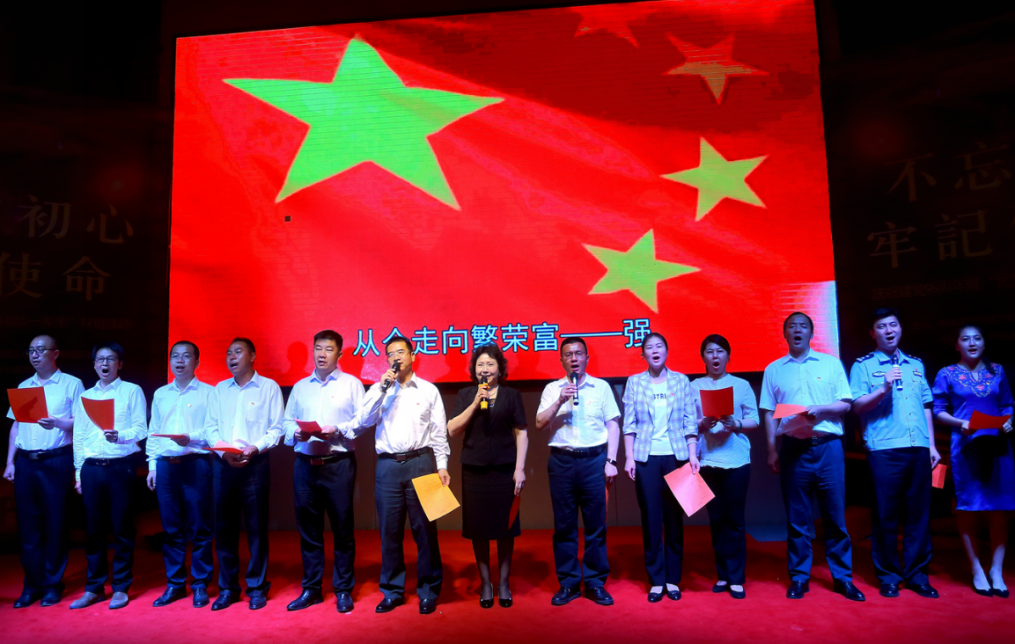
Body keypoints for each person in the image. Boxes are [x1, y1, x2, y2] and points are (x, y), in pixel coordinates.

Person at [760, 312, 864, 601]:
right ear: (785, 334)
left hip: (828, 447)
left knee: (835, 516)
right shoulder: (774, 369)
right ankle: (799, 577)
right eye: (792, 326)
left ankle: (842, 578)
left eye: (803, 326)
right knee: (797, 518)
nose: (797, 330)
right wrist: (772, 449)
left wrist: (821, 410)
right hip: (794, 448)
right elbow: (768, 412)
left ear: (811, 333)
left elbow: (845, 404)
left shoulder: (830, 364)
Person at [346, 336, 450, 615]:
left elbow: (439, 433)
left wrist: (442, 465)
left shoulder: (428, 390)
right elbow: (359, 424)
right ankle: (392, 591)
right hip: (388, 466)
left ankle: (428, 591)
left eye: (401, 352)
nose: (396, 357)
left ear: (412, 356)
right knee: (389, 532)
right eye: (391, 354)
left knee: (425, 531)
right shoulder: (379, 389)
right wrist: (381, 390)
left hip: (421, 462)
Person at [850, 309, 941, 599]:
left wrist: (931, 445)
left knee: (918, 515)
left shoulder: (915, 364)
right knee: (886, 515)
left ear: (900, 328)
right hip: (884, 448)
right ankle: (889, 576)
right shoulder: (862, 365)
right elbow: (857, 406)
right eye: (882, 326)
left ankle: (917, 575)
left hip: (918, 447)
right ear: (872, 333)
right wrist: (883, 387)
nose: (889, 330)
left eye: (893, 325)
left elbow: (926, 405)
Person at [281, 330, 363, 613]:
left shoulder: (352, 384)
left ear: (339, 354)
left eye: (328, 349)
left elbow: (361, 422)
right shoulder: (300, 387)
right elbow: (286, 423)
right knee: (309, 531)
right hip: (305, 466)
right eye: (318, 348)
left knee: (342, 529)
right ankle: (312, 588)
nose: (322, 354)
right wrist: (295, 433)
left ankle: (343, 589)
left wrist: (337, 430)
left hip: (338, 465)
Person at [535, 337, 621, 607]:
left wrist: (611, 460)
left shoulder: (601, 387)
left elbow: (613, 424)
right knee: (564, 526)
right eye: (568, 354)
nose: (574, 358)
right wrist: (560, 400)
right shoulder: (552, 389)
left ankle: (595, 582)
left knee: (596, 525)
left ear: (586, 358)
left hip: (594, 461)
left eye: (578, 353)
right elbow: (539, 423)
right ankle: (569, 583)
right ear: (561, 360)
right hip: (561, 462)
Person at [932, 324, 1014, 598]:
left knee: (1000, 509)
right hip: (966, 446)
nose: (972, 343)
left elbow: (1007, 404)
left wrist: (1009, 421)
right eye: (965, 339)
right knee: (968, 507)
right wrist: (960, 423)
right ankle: (977, 568)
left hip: (998, 445)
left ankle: (996, 571)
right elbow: (938, 410)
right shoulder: (947, 373)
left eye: (977, 338)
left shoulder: (997, 370)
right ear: (957, 345)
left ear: (984, 343)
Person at [205, 337, 284, 611]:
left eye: (238, 352)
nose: (231, 357)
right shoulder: (219, 390)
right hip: (223, 464)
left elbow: (276, 429)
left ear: (252, 355)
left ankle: (257, 588)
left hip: (255, 464)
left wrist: (255, 447)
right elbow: (210, 427)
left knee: (256, 529)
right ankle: (227, 588)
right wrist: (222, 452)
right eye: (228, 353)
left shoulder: (268, 388)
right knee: (224, 529)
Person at [5, 335, 83, 608]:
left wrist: (58, 423)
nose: (35, 355)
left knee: (55, 524)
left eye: (40, 350)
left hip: (56, 460)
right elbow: (16, 425)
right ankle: (32, 585)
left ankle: (52, 584)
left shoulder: (72, 384)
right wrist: (10, 462)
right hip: (26, 462)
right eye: (31, 351)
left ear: (56, 353)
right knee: (28, 526)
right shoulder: (24, 386)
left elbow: (81, 423)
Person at [448, 344, 529, 609]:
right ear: (474, 370)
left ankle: (503, 583)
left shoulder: (511, 395)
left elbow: (521, 432)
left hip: (505, 470)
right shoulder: (466, 395)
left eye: (490, 364)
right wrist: (475, 403)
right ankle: (486, 583)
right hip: (475, 471)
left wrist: (520, 468)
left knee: (506, 529)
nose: (485, 369)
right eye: (480, 364)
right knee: (478, 530)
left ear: (499, 369)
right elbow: (453, 430)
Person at [70, 342, 148, 610]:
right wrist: (78, 473)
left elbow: (141, 428)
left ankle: (121, 587)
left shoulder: (131, 391)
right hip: (91, 468)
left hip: (120, 466)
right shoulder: (85, 396)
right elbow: (79, 436)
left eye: (111, 359)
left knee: (122, 529)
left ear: (119, 364)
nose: (105, 364)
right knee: (93, 531)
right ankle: (94, 588)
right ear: (94, 364)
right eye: (100, 359)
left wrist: (121, 436)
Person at [622, 332, 697, 603]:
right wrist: (629, 457)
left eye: (659, 346)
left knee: (674, 519)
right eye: (649, 347)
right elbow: (629, 423)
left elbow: (690, 420)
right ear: (643, 354)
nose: (654, 351)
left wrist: (692, 454)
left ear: (666, 351)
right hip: (646, 458)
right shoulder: (634, 382)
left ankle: (672, 579)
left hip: (676, 457)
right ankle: (656, 580)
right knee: (651, 519)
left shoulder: (681, 381)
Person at [145, 341, 215, 608]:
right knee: (171, 529)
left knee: (199, 528)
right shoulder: (161, 393)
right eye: (175, 356)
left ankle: (200, 584)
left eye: (186, 356)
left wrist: (190, 438)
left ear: (197, 362)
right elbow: (153, 430)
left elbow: (213, 430)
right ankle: (174, 584)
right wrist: (152, 466)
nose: (180, 361)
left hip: (195, 463)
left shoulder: (209, 393)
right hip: (165, 466)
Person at [690, 334, 759, 600]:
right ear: (703, 357)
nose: (715, 356)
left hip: (737, 460)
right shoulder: (694, 386)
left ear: (728, 356)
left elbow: (754, 420)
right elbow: (686, 423)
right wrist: (701, 424)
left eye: (720, 351)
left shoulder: (741, 385)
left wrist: (736, 424)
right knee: (716, 519)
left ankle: (736, 577)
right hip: (707, 460)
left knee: (735, 520)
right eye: (710, 352)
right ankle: (722, 574)